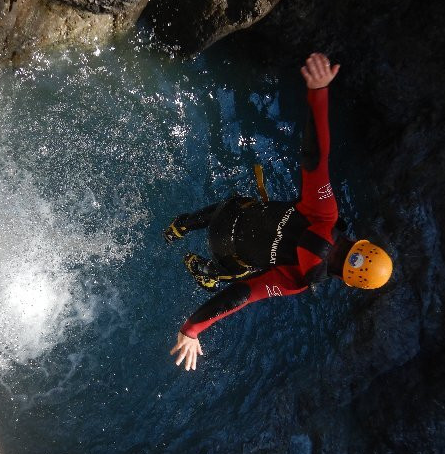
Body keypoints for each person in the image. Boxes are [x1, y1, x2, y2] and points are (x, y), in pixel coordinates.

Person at [165, 53, 393, 371]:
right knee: (233, 275)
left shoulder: (325, 213)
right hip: (225, 251)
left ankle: (179, 226)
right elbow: (242, 295)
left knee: (237, 209)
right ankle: (203, 270)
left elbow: (314, 157)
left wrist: (318, 92)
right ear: (348, 281)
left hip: (228, 213)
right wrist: (191, 329)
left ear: (359, 243)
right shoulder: (299, 279)